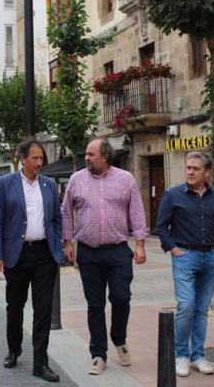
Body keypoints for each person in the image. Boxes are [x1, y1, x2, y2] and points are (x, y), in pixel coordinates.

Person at [62, 138, 148, 375]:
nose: (86, 158)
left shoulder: (125, 179)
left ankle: (119, 339)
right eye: (86, 154)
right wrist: (67, 242)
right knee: (95, 305)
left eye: (91, 154)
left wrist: (140, 244)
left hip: (119, 250)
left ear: (105, 156)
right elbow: (66, 212)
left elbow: (137, 212)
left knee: (121, 297)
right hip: (88, 252)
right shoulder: (76, 179)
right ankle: (98, 354)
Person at [0, 138, 64, 382]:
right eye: (35, 158)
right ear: (22, 159)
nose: (39, 162)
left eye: (42, 158)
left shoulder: (49, 185)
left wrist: (59, 245)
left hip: (44, 255)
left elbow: (56, 218)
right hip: (17, 254)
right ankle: (14, 349)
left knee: (43, 310)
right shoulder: (5, 183)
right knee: (15, 305)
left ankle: (40, 363)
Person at [155, 152, 214, 377]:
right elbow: (161, 226)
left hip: (210, 257)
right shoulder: (172, 194)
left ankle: (197, 355)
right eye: (188, 167)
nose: (190, 172)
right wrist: (174, 250)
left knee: (201, 309)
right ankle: (181, 355)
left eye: (195, 169)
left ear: (207, 173)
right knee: (186, 305)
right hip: (185, 256)